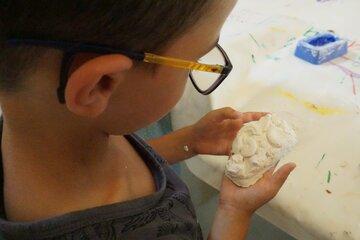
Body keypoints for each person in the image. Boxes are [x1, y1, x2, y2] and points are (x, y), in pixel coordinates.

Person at [0, 1, 296, 239]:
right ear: (101, 84)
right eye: (193, 62)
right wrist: (235, 211)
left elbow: (122, 159)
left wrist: (189, 141)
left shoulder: (41, 128)